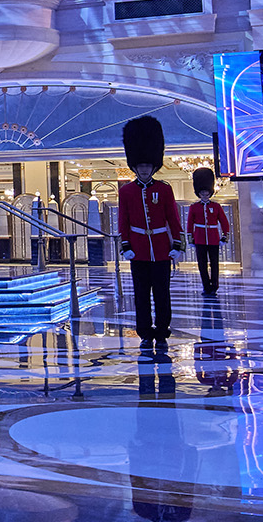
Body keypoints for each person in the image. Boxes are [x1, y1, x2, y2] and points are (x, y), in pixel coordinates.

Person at [117, 116, 182, 351]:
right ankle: (144, 332)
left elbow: (173, 219)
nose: (144, 170)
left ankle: (162, 331)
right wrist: (126, 246)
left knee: (162, 295)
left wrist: (177, 245)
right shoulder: (126, 192)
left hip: (161, 249)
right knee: (141, 295)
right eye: (140, 166)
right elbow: (122, 220)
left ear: (153, 166)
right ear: (134, 167)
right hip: (138, 250)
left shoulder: (164, 189)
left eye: (147, 166)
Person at [188, 168, 230, 296]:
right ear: (199, 193)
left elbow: (224, 222)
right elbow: (190, 223)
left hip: (213, 238)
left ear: (210, 192)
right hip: (200, 238)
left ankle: (214, 286)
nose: (205, 195)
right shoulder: (194, 207)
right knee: (202, 264)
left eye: (206, 193)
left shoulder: (216, 206)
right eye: (202, 193)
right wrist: (191, 238)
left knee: (214, 264)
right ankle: (206, 286)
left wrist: (224, 236)